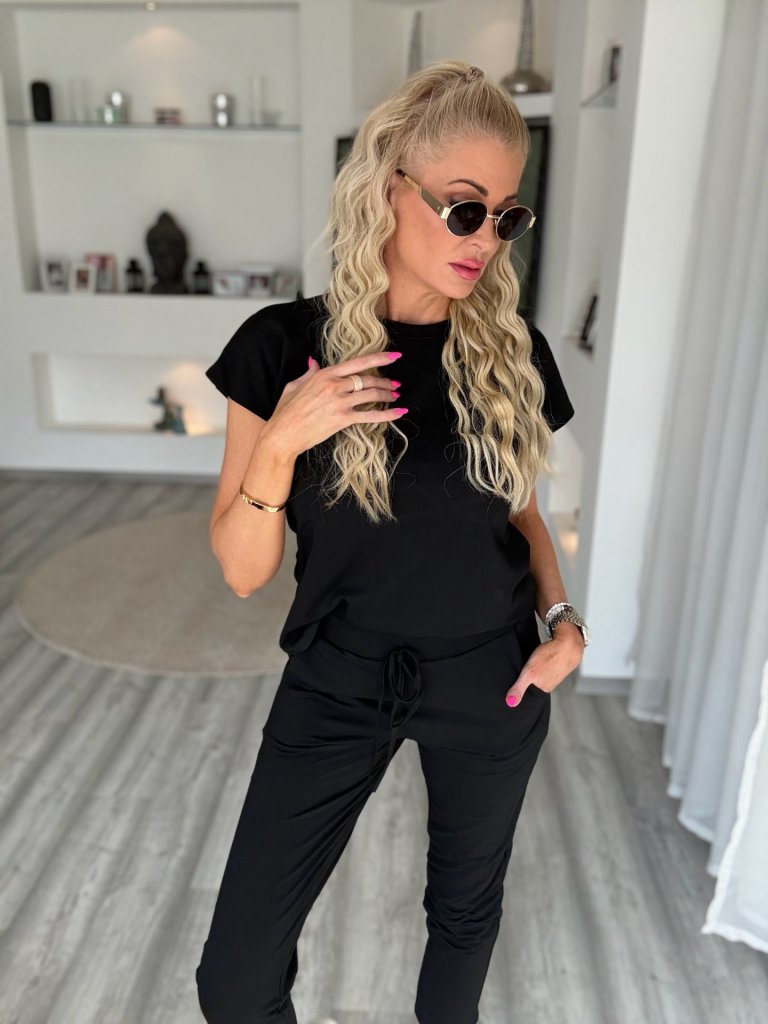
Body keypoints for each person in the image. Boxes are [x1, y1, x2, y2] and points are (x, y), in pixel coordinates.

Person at [195, 59, 590, 1024]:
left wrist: (563, 619)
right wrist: (284, 438)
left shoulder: (512, 356)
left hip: (490, 677)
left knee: (462, 924)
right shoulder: (278, 348)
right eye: (465, 208)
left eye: (505, 216)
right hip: (337, 675)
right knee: (235, 980)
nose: (485, 239)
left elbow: (521, 516)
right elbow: (243, 572)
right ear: (387, 187)